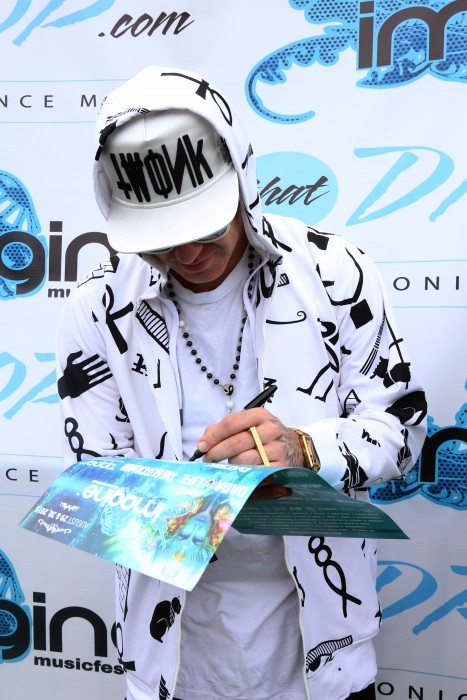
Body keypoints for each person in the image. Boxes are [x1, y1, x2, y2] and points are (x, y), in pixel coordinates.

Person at [56, 65, 427, 700]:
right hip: (172, 665)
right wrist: (204, 497)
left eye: (204, 229)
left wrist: (307, 453)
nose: (189, 255)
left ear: (243, 181)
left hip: (324, 660)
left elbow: (403, 433)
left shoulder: (335, 274)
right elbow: (94, 490)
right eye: (162, 243)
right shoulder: (95, 309)